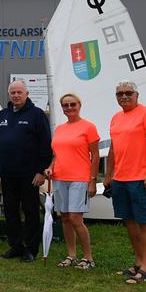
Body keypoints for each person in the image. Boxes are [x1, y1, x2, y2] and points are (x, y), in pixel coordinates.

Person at [104, 81, 146, 285]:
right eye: (119, 93)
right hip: (121, 178)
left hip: (142, 179)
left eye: (128, 93)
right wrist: (109, 174)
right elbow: (113, 149)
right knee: (129, 221)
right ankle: (138, 263)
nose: (124, 96)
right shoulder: (116, 118)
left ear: (137, 95)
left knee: (145, 222)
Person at [0, 80, 52, 262]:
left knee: (30, 211)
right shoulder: (2, 115)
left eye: (19, 92)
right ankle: (15, 246)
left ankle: (31, 249)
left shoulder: (37, 115)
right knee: (10, 211)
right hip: (7, 174)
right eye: (13, 92)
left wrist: (41, 171)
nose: (16, 95)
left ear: (26, 94)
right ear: (9, 94)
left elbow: (45, 145)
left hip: (30, 175)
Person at [45, 92, 99, 269]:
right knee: (65, 218)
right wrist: (50, 167)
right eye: (65, 105)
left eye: (72, 104)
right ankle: (71, 255)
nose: (69, 108)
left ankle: (88, 258)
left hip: (80, 178)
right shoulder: (60, 129)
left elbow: (95, 156)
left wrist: (92, 180)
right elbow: (57, 155)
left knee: (76, 218)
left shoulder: (88, 127)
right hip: (60, 177)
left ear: (79, 106)